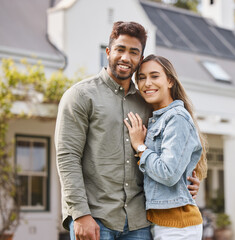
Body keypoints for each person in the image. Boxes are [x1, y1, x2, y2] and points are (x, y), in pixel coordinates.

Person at [55, 21, 200, 240]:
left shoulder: (147, 102)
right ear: (108, 52)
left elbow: (171, 152)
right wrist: (80, 214)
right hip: (95, 218)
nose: (125, 58)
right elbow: (67, 158)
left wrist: (185, 181)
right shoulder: (80, 96)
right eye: (120, 49)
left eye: (133, 52)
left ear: (140, 58)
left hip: (139, 223)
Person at [124, 54, 207, 240]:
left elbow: (168, 173)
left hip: (179, 227)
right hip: (161, 224)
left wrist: (140, 146)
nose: (147, 83)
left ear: (169, 81)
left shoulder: (176, 118)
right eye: (142, 78)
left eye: (154, 76)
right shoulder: (157, 119)